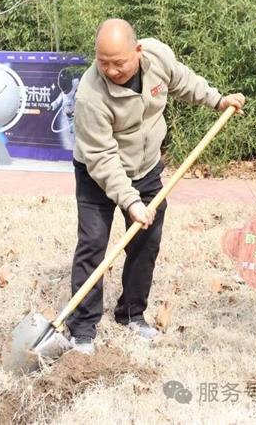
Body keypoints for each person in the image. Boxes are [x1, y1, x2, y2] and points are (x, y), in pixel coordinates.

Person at [67, 18, 245, 354]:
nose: (111, 70)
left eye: (119, 62)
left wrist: (217, 100)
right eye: (103, 63)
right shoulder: (90, 95)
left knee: (146, 241)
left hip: (146, 166)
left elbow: (182, 80)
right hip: (97, 172)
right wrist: (131, 202)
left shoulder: (157, 56)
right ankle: (82, 329)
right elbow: (102, 157)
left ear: (137, 51)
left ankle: (132, 314)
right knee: (93, 243)